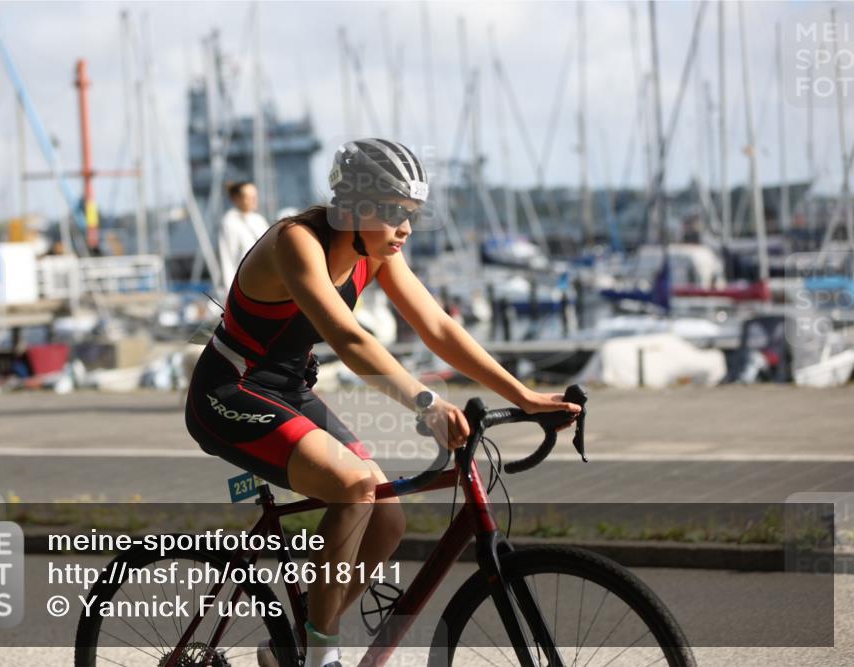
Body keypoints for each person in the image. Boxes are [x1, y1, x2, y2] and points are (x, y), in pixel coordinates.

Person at [184, 139, 581, 667]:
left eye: (411, 215)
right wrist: (428, 405)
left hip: (288, 390)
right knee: (353, 485)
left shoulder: (376, 253)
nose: (405, 229)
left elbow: (438, 327)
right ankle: (322, 657)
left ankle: (300, 645)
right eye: (394, 213)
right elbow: (350, 341)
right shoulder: (295, 241)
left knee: (388, 517)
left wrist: (525, 396)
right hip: (228, 391)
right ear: (353, 207)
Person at [218, 181, 270, 298]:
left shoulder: (259, 219)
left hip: (265, 282)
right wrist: (230, 293)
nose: (254, 200)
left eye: (255, 196)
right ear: (237, 199)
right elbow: (227, 259)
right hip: (245, 286)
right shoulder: (229, 222)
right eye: (249, 197)